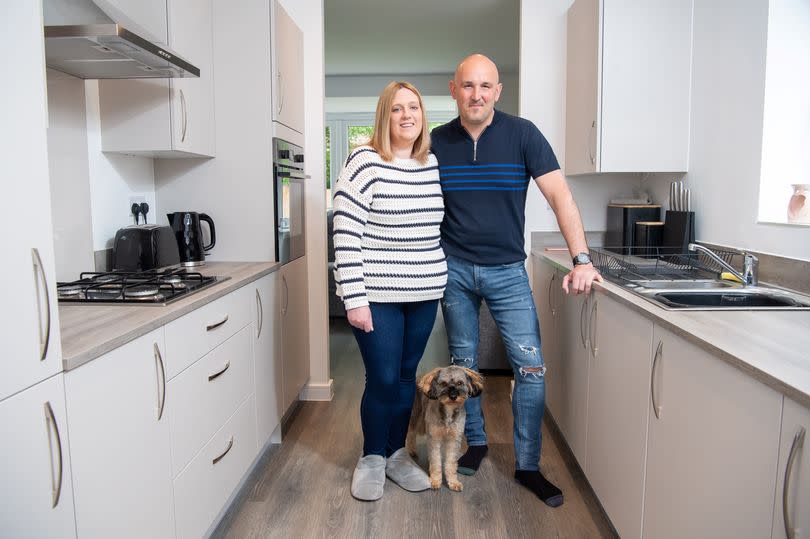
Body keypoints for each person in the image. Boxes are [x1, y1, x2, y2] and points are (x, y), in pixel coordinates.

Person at [430, 54, 602, 507]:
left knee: (530, 369)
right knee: (462, 366)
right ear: (454, 89)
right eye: (468, 85)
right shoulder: (436, 142)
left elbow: (560, 196)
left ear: (498, 91)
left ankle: (527, 466)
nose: (477, 94)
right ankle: (477, 442)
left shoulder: (523, 134)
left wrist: (581, 258)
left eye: (485, 86)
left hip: (508, 271)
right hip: (453, 271)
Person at [332, 81, 447, 501]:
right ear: (385, 116)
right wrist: (354, 297)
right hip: (377, 292)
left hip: (424, 290)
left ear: (422, 115)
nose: (406, 115)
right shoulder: (365, 162)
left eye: (413, 107)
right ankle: (371, 459)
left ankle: (397, 454)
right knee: (380, 378)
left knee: (404, 377)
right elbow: (345, 232)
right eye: (397, 108)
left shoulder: (432, 163)